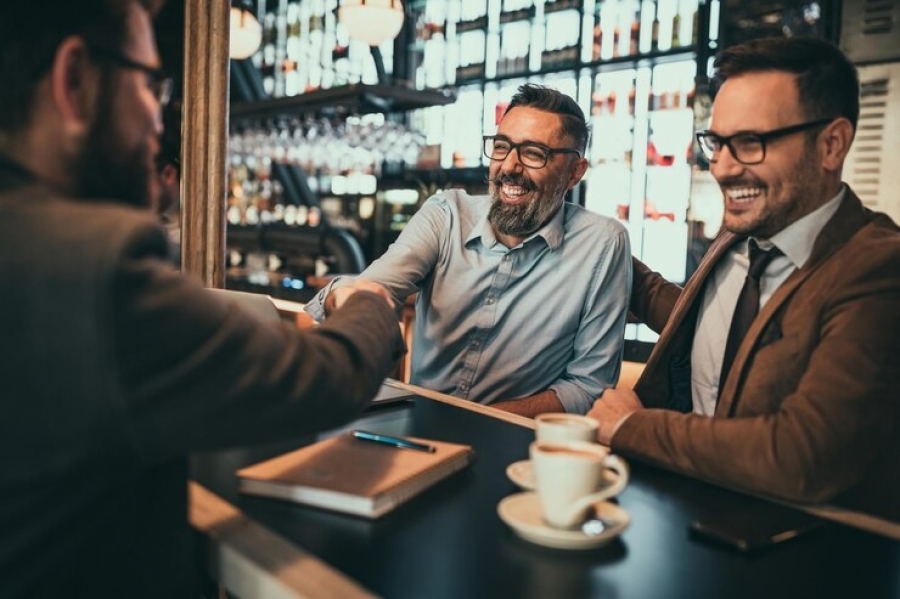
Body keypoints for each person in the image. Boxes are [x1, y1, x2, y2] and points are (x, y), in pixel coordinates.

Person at [0, 1, 402, 597]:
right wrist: (369, 303)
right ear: (75, 79)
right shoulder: (93, 263)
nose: (160, 123)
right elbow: (323, 379)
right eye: (151, 86)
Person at [589, 37, 900, 521]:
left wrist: (632, 425)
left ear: (831, 144)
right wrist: (603, 252)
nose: (724, 167)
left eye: (751, 143)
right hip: (688, 517)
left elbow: (804, 455)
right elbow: (705, 325)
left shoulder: (878, 266)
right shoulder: (745, 233)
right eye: (717, 143)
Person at [305, 83, 632, 417]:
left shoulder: (603, 244)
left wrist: (477, 420)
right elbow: (367, 289)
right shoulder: (447, 214)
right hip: (420, 428)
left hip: (517, 443)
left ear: (575, 172)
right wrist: (346, 298)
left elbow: (588, 386)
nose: (509, 167)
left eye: (534, 153)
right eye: (502, 147)